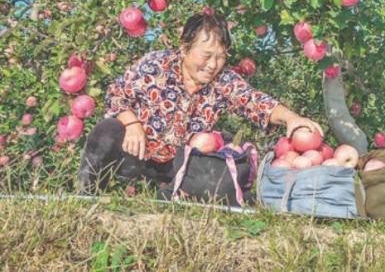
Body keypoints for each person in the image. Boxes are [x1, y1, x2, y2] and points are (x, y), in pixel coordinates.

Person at [78, 11, 324, 194]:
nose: (213, 64)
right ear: (185, 49)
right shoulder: (156, 65)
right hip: (137, 150)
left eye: (220, 57)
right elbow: (116, 94)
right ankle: (87, 192)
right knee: (107, 131)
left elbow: (256, 102)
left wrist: (292, 118)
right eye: (206, 55)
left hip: (180, 163)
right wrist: (131, 124)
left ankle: (170, 197)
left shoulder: (223, 80)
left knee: (228, 156)